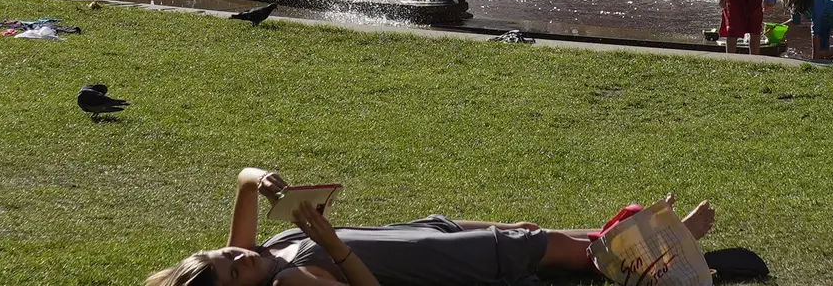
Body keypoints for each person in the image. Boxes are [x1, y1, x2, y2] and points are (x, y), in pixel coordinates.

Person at [145, 167, 717, 286]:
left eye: (225, 256)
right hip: (448, 265)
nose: (238, 258)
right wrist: (331, 243)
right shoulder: (289, 283)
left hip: (431, 233)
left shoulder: (259, 252)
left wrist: (263, 181)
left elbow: (243, 182)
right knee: (572, 254)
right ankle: (670, 249)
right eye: (234, 271)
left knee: (545, 234)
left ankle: (658, 235)